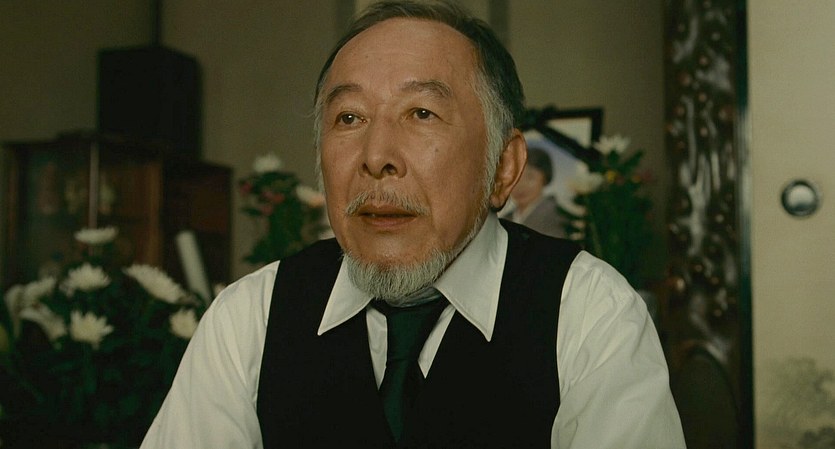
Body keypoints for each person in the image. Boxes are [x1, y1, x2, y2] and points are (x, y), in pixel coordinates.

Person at [140, 1, 686, 448]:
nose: (376, 156)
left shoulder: (587, 312)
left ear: (503, 168)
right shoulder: (251, 318)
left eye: (421, 113)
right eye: (349, 118)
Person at [501, 146, 567, 238]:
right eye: (515, 178)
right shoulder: (506, 218)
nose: (520, 186)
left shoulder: (556, 216)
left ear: (544, 179)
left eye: (530, 177)